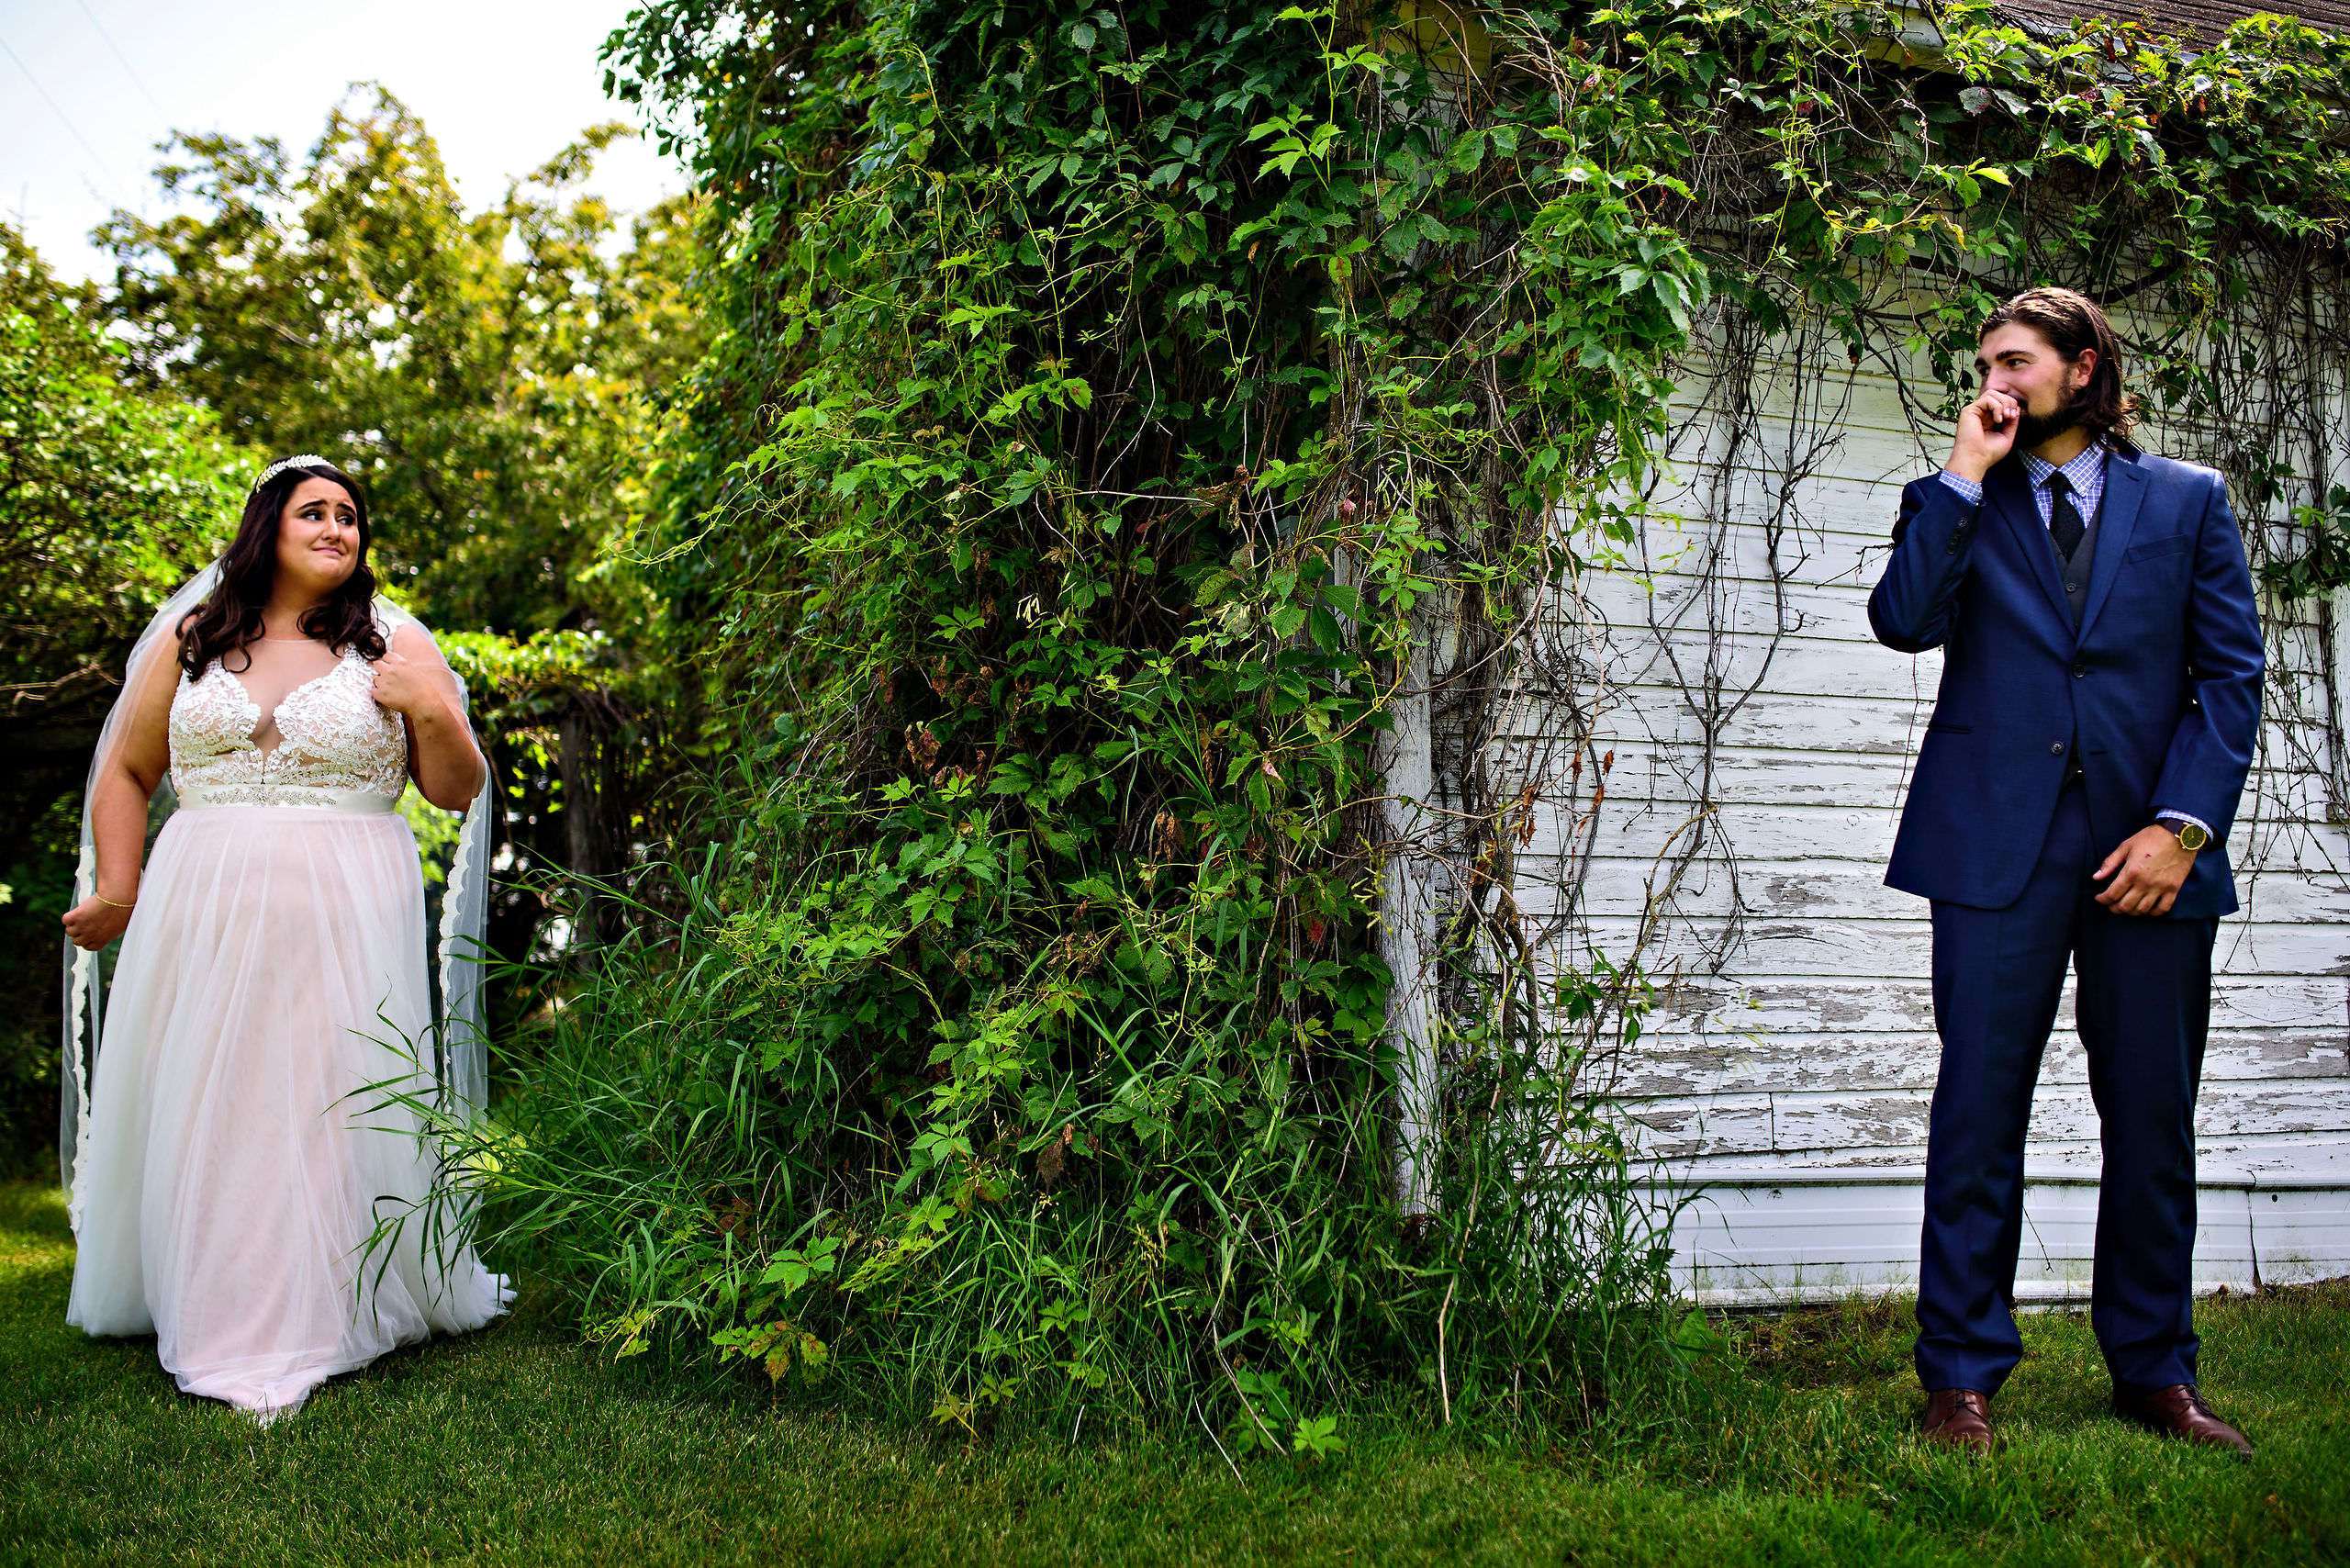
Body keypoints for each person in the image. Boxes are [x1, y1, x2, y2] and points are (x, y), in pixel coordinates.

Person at [1868, 288, 2266, 1456]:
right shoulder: (1956, 501)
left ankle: (2153, 1369)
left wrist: (2181, 830)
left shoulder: (2187, 501)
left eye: (2014, 360)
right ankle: (1959, 1376)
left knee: (2152, 1113)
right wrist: (1958, 472)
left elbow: (2230, 676)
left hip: (2148, 848)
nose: (1992, 379)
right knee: (1978, 1112)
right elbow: (1901, 623)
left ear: (2082, 367)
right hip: (1994, 845)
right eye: (1986, 361)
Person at [60, 454, 509, 1419]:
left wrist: (432, 706)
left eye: (351, 516)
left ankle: (310, 1307)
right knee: (212, 1095)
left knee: (315, 1097)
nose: (338, 528)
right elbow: (128, 773)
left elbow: (455, 788)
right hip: (202, 902)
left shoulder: (394, 640)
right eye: (316, 511)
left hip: (340, 905)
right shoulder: (191, 638)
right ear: (269, 525)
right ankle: (208, 1290)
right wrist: (119, 888)